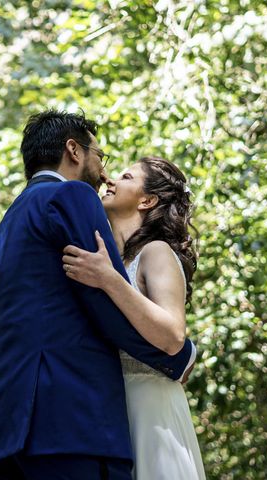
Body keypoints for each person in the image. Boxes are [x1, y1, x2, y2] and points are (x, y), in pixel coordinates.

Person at [0, 110, 196, 480]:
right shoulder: (70, 196)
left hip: (2, 429)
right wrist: (179, 357)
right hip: (66, 425)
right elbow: (102, 306)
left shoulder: (0, 235)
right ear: (74, 150)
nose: (104, 173)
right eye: (101, 157)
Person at [61, 157, 206, 479]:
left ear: (147, 200)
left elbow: (172, 337)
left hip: (151, 407)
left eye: (125, 177)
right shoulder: (113, 256)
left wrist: (108, 279)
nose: (110, 181)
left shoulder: (156, 251)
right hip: (111, 404)